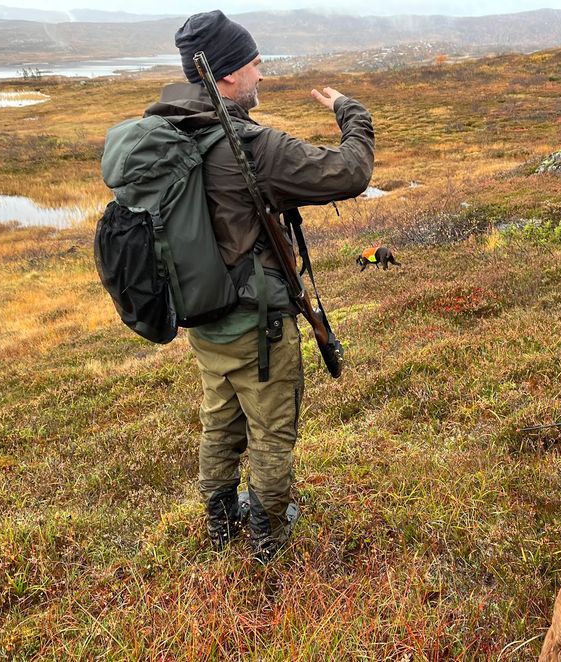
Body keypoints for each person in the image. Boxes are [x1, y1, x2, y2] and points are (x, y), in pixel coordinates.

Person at [146, 10, 375, 564]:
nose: (261, 75)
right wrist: (352, 111)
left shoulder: (172, 132)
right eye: (254, 65)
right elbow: (351, 172)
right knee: (272, 434)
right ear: (225, 75)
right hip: (258, 322)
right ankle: (269, 538)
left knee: (219, 417)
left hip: (203, 315)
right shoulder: (249, 144)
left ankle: (220, 522)